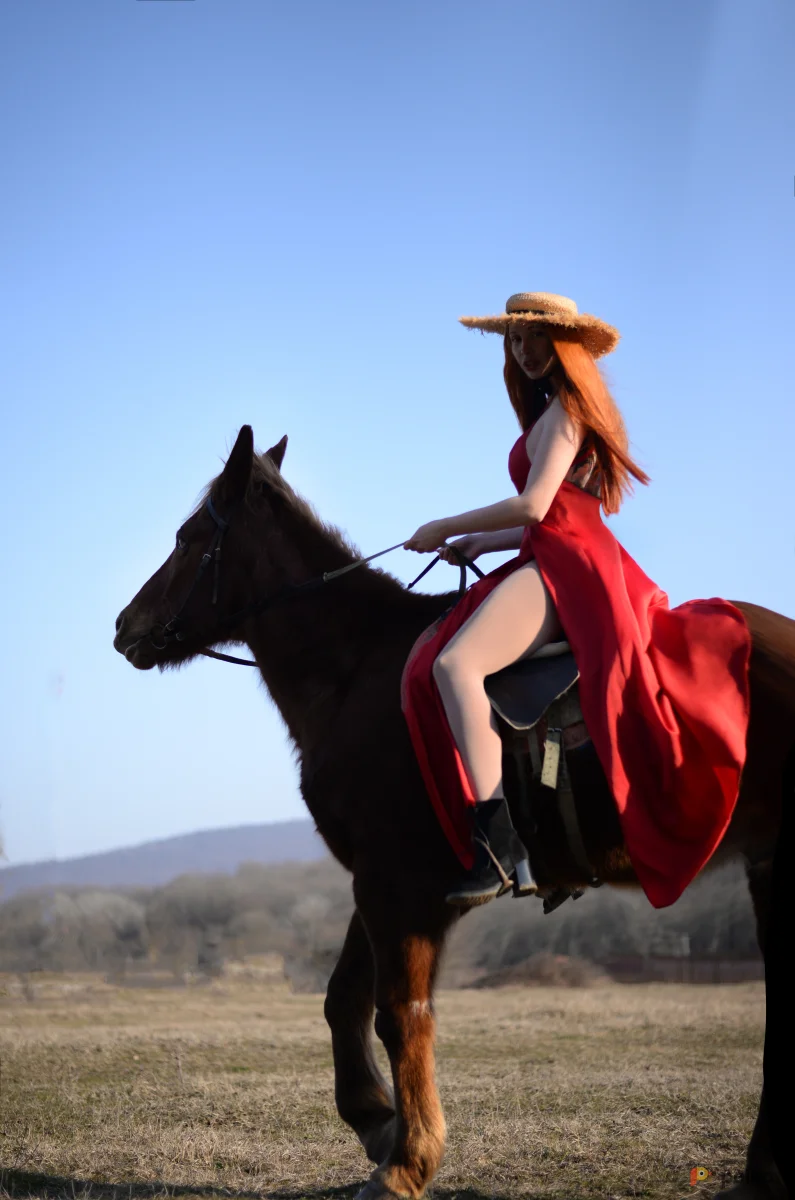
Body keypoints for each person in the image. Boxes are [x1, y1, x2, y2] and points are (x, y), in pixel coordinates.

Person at [401, 292, 751, 911]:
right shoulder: (551, 413)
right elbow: (552, 516)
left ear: (564, 347)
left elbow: (538, 508)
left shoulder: (566, 410)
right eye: (515, 340)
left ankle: (496, 851)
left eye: (536, 338)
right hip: (556, 552)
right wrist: (481, 541)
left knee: (456, 666)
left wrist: (446, 525)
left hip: (569, 569)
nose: (525, 351)